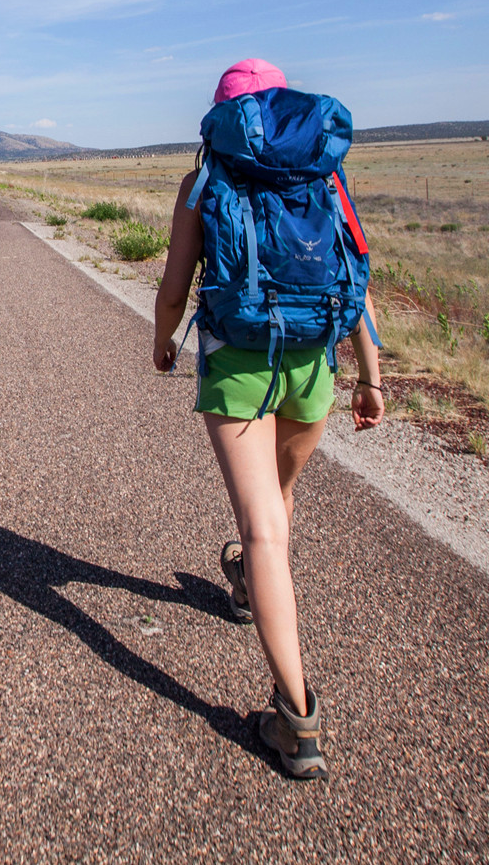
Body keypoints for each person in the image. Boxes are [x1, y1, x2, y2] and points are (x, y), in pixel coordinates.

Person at [150, 57, 385, 781]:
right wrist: (372, 375)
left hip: (239, 364)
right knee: (277, 503)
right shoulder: (323, 175)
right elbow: (354, 274)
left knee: (260, 525)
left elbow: (175, 280)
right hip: (314, 362)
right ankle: (252, 585)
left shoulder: (204, 181)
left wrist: (163, 338)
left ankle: (296, 717)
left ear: (222, 118)